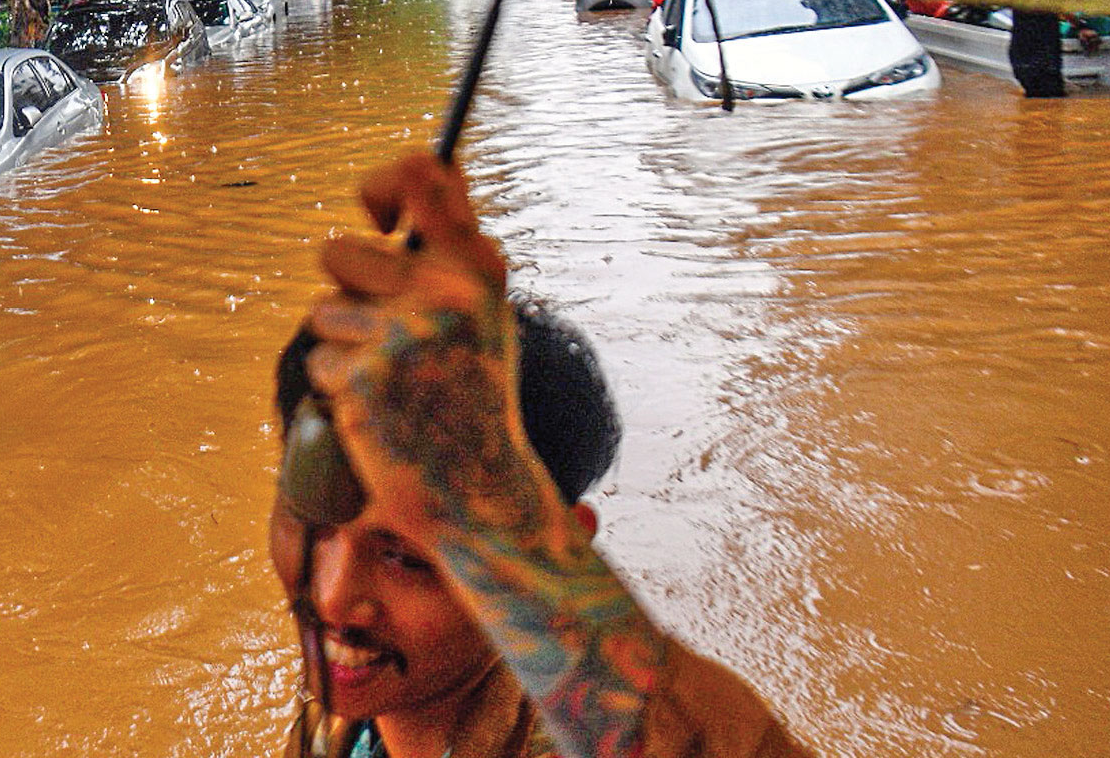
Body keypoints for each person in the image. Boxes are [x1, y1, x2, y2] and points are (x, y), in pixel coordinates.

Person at [273, 153, 813, 758]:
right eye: (311, 521)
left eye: (407, 558)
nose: (332, 598)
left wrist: (491, 504)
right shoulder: (348, 719)